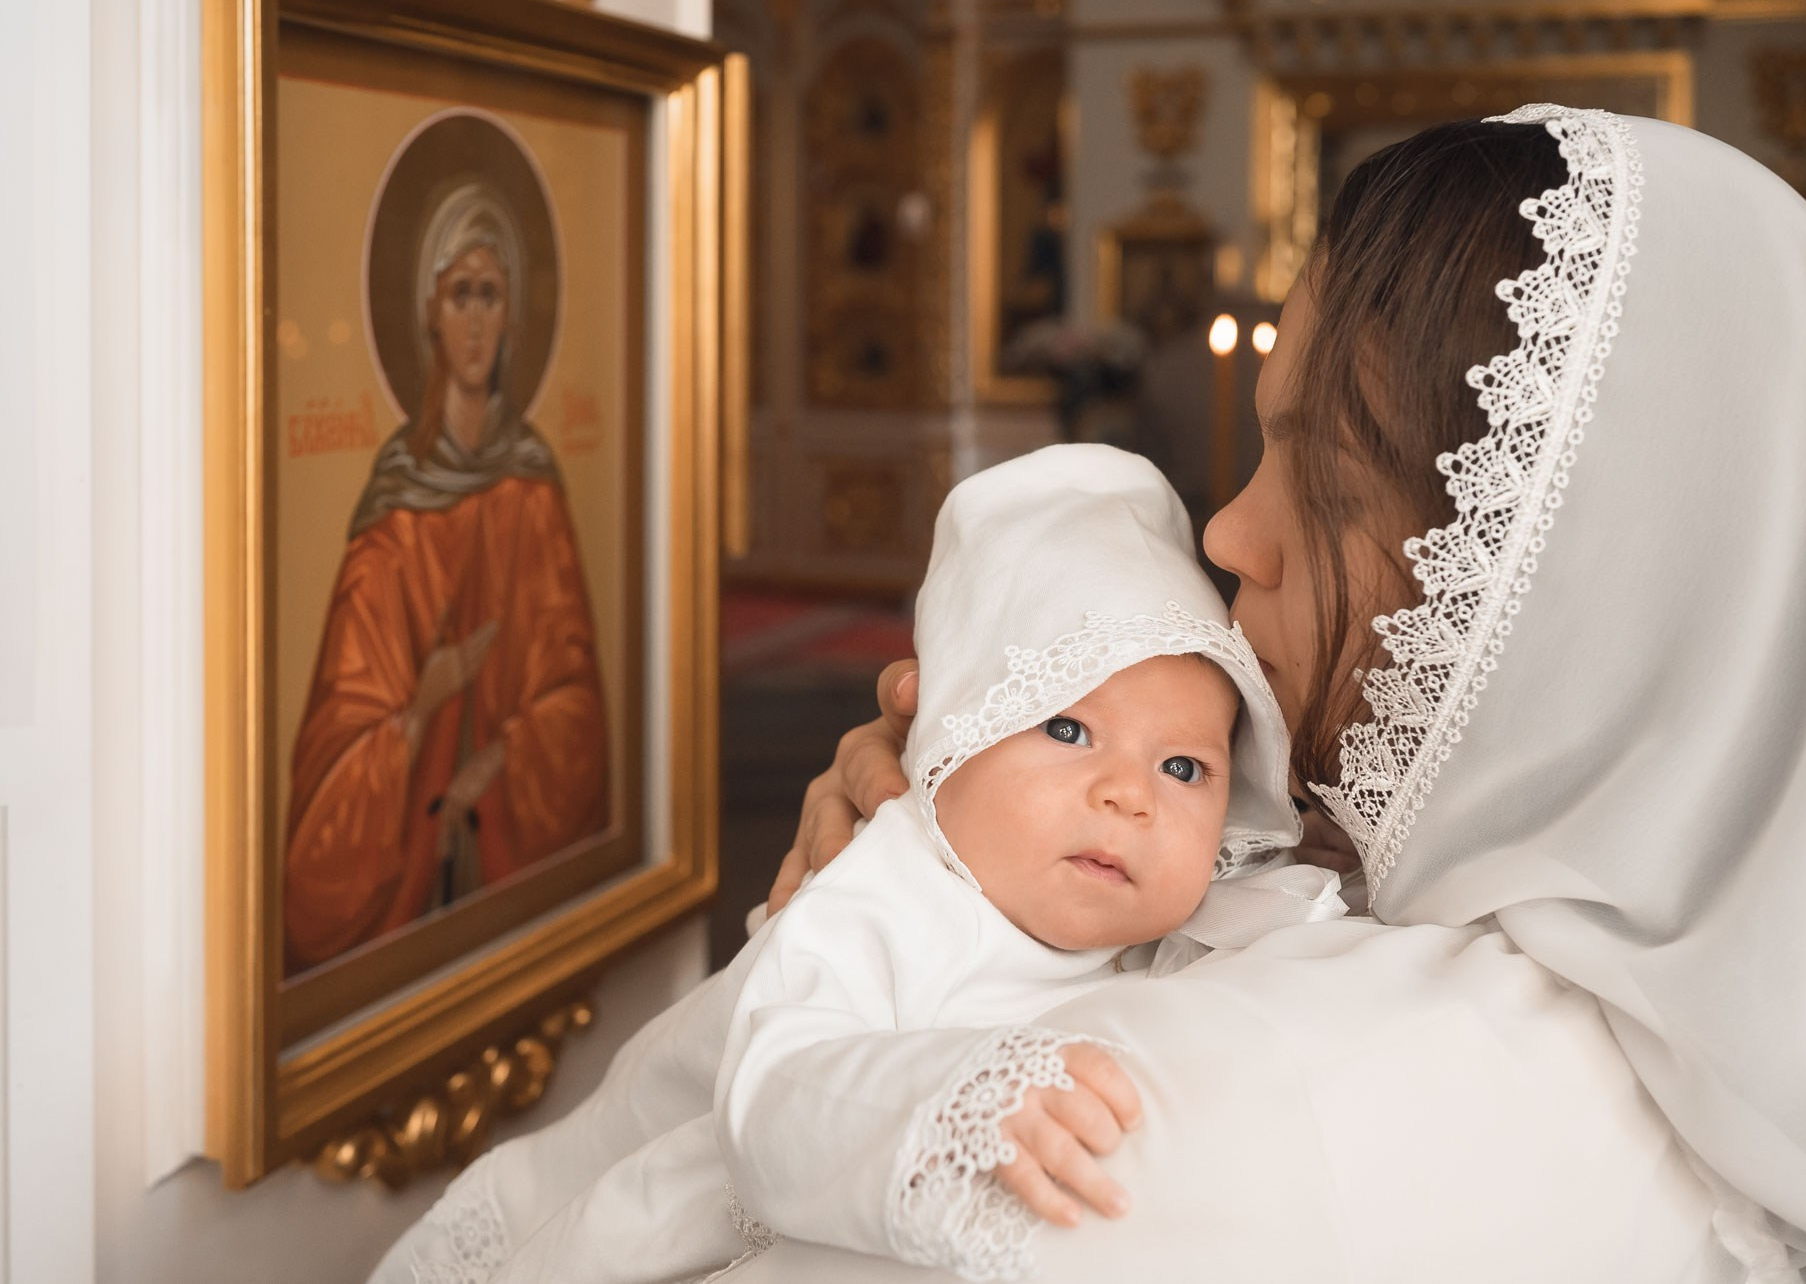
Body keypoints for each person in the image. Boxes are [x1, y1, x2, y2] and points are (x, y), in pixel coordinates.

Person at [732, 107, 1806, 1283]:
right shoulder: (1748, 1022)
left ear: (1556, 597)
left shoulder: (1214, 1106)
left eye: (1325, 485)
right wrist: (963, 843)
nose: (1228, 532)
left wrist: (857, 971)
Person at [372, 446, 1334, 1284]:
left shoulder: (1174, 899)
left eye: (1184, 767)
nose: (1131, 794)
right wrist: (961, 1100)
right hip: (658, 1203)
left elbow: (1253, 919)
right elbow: (775, 1090)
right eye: (1069, 727)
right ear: (949, 740)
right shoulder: (892, 892)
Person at [285, 182, 611, 970]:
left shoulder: (535, 494)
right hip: (404, 875)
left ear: (511, 319)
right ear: (428, 310)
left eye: (490, 295)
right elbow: (333, 754)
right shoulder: (392, 521)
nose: (473, 318)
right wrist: (419, 710)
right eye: (458, 293)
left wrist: (496, 761)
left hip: (495, 851)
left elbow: (577, 703)